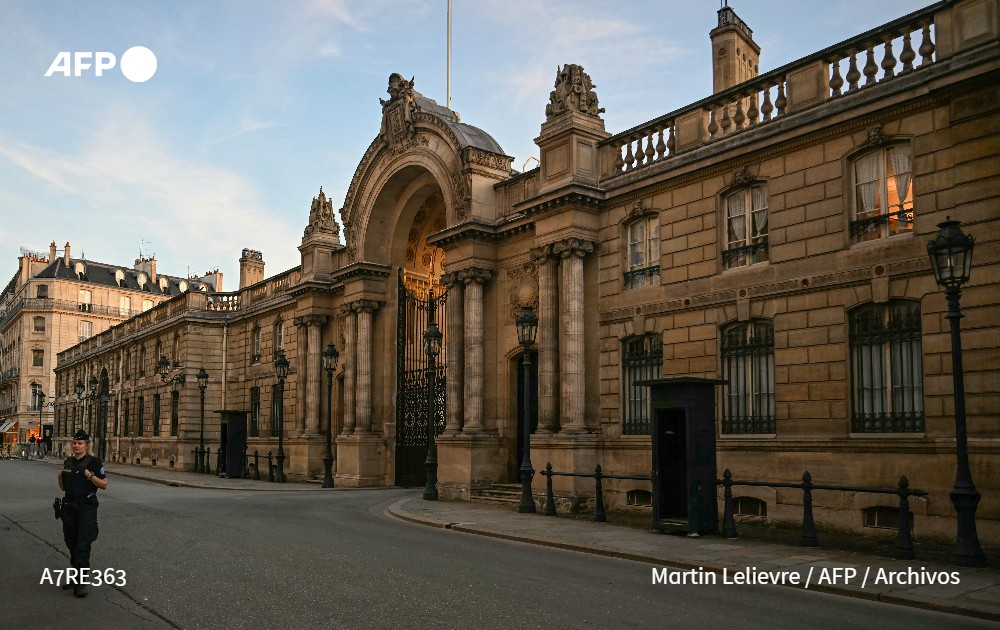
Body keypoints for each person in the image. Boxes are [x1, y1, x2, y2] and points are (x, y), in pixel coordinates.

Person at [57, 429, 108, 598]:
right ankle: (75, 575)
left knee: (83, 544)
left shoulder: (94, 462)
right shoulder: (68, 462)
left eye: (80, 443)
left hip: (86, 506)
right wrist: (59, 476)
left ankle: (81, 582)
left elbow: (104, 484)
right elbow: (63, 487)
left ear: (86, 445)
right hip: (69, 506)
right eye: (75, 443)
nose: (76, 446)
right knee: (71, 542)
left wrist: (90, 475)